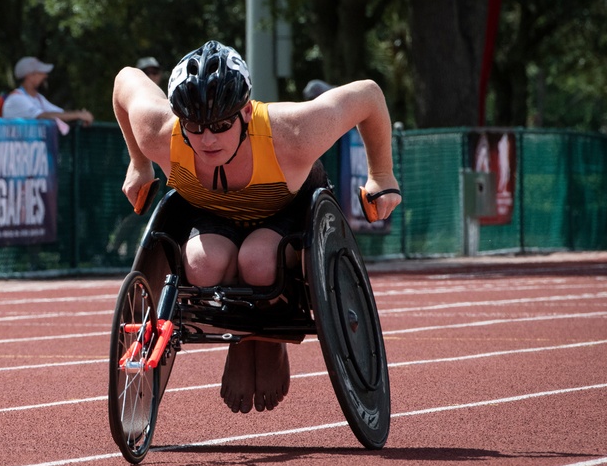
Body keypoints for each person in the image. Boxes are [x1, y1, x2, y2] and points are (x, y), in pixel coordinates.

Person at [112, 40, 401, 414]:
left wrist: (382, 174)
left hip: (286, 211)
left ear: (246, 112)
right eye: (195, 127)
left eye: (220, 125)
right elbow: (125, 81)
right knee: (200, 264)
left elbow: (368, 95)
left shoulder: (295, 132)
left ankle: (265, 339)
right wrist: (139, 162)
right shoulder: (158, 132)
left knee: (258, 260)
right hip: (210, 210)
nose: (208, 139)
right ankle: (242, 335)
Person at [2, 56, 94, 130]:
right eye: (41, 73)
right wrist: (78, 115)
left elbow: (59, 113)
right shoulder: (17, 98)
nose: (45, 76)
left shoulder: (38, 98)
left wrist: (79, 114)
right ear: (30, 76)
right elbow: (42, 116)